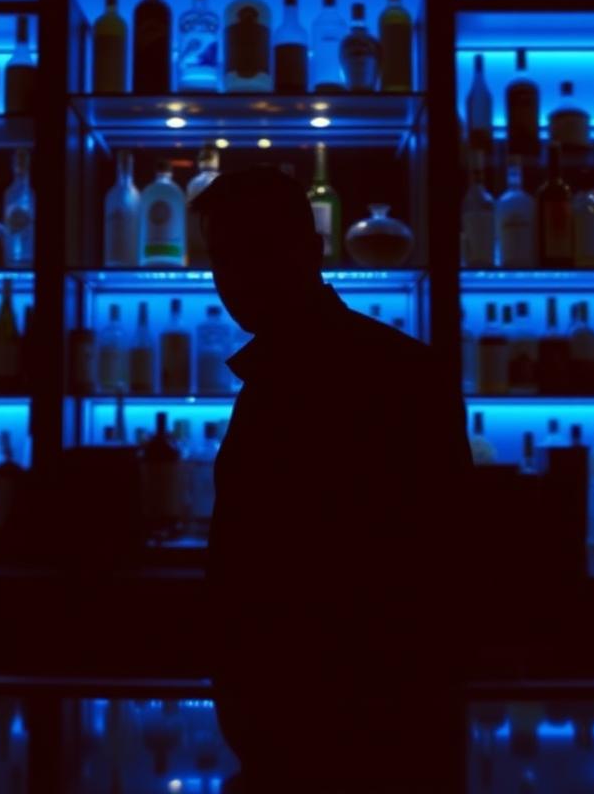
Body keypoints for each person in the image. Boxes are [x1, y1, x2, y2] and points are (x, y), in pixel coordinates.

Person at [191, 166, 472, 793]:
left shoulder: (302, 380)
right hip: (379, 727)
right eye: (222, 256)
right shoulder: (399, 367)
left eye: (250, 249)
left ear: (310, 249)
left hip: (331, 730)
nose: (232, 274)